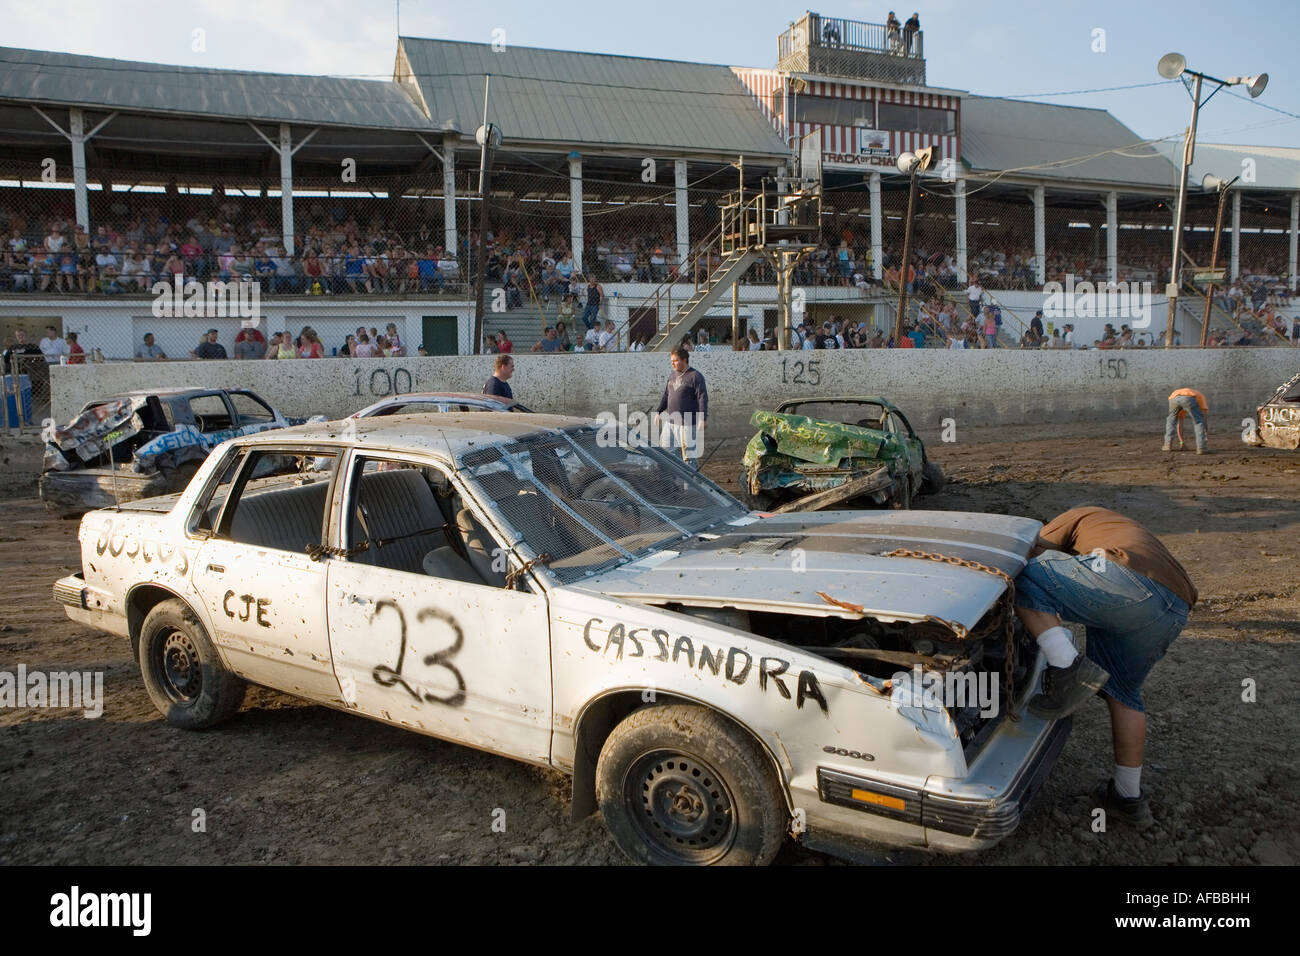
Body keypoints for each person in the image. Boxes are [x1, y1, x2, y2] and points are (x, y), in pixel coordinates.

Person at [1014, 506, 1197, 829]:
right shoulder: (1117, 526)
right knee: (1124, 693)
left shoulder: (1079, 515)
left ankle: (1067, 666)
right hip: (1176, 605)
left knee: (1021, 573)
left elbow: (1032, 549)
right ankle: (1128, 797)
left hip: (1127, 578)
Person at [655, 347, 707, 469]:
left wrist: (702, 418)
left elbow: (702, 397)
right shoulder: (672, 375)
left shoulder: (695, 376)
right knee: (667, 449)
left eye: (675, 360)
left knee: (689, 455)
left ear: (684, 360)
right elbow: (666, 395)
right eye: (672, 360)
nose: (672, 363)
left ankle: (692, 482)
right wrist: (658, 411)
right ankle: (680, 474)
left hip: (688, 423)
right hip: (671, 421)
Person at [1164, 387, 1208, 454]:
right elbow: (1204, 418)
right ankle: (1201, 448)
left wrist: (1181, 442)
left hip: (1173, 398)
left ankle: (1167, 445)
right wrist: (1206, 435)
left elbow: (1180, 423)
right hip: (1189, 398)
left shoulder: (1181, 402)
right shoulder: (1201, 397)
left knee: (1171, 421)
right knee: (1199, 422)